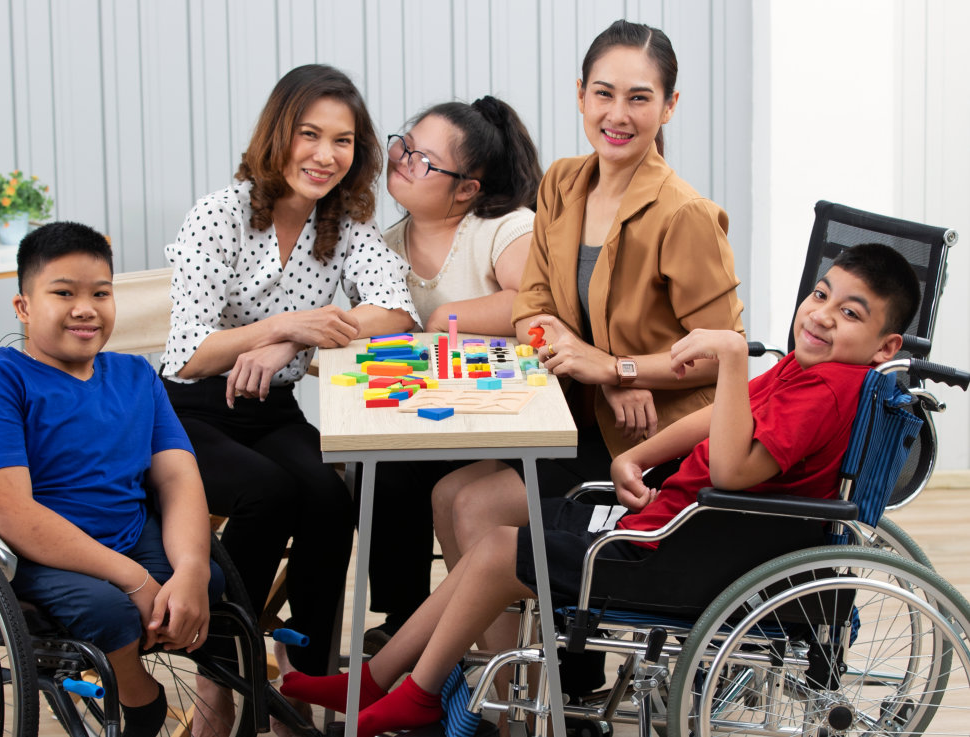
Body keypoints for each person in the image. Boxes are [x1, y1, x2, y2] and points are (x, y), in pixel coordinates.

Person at [281, 243, 921, 737]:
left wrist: (729, 358)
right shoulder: (809, 371)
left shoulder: (825, 390)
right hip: (673, 525)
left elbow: (732, 470)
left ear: (886, 344)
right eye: (821, 295)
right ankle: (378, 679)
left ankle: (412, 693)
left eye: (850, 313)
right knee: (496, 546)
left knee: (502, 549)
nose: (822, 315)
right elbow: (722, 417)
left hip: (687, 554)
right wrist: (639, 454)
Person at [431, 22, 745, 669]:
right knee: (445, 495)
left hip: (655, 441)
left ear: (669, 105)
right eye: (603, 94)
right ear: (579, 95)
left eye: (638, 97)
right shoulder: (564, 184)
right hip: (583, 417)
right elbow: (534, 310)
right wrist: (601, 372)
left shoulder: (683, 213)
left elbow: (721, 350)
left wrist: (618, 366)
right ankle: (513, 675)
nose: (617, 114)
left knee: (473, 503)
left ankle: (524, 688)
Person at [161, 63, 417, 682]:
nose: (325, 155)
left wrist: (288, 343)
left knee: (331, 499)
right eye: (310, 134)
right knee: (269, 494)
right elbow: (190, 353)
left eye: (343, 141)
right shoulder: (218, 215)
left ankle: (305, 674)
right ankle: (222, 670)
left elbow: (398, 312)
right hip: (187, 409)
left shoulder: (345, 228)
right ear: (278, 134)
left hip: (270, 410)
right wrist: (287, 328)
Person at [0, 222, 222, 737]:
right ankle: (139, 697)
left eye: (100, 293)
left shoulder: (135, 376)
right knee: (107, 608)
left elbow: (179, 479)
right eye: (63, 293)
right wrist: (132, 579)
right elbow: (9, 511)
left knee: (208, 581)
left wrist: (192, 569)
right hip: (27, 551)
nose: (85, 307)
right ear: (23, 307)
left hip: (124, 531)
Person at [364, 96, 543, 650]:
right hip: (429, 418)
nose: (402, 159)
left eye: (424, 159)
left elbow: (534, 302)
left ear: (466, 188)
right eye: (405, 144)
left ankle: (457, 640)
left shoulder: (502, 229)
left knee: (423, 481)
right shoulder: (384, 247)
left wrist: (449, 318)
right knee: (382, 475)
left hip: (498, 424)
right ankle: (406, 621)